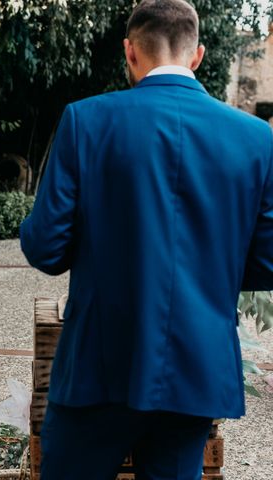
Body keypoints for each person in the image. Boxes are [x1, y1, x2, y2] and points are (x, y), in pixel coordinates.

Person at [20, 1, 273, 478]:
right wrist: (212, 268)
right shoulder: (256, 137)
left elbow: (46, 248)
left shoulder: (85, 121)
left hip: (99, 363)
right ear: (197, 55)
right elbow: (270, 259)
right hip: (196, 365)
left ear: (129, 52)